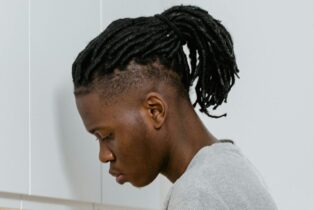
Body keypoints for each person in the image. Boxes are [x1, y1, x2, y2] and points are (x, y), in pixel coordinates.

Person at [72, 5, 277, 210]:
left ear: (155, 111)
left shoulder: (196, 194)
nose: (104, 155)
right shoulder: (232, 167)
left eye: (106, 135)